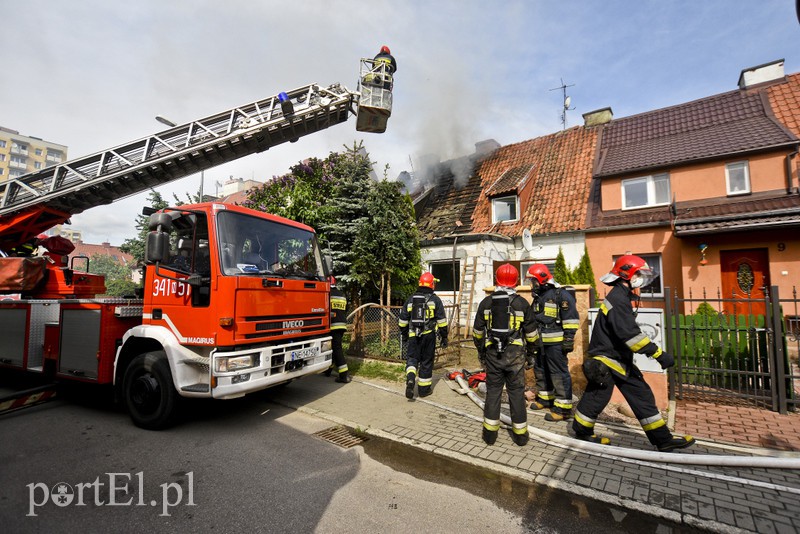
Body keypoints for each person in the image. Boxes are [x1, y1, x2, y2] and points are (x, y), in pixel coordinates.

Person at [572, 255, 695, 452]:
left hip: (615, 359)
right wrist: (659, 355)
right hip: (610, 360)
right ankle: (662, 439)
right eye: (638, 273)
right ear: (626, 274)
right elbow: (631, 337)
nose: (641, 278)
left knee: (606, 395)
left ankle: (582, 430)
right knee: (612, 395)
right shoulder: (618, 300)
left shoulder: (619, 297)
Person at [472, 264, 539, 446]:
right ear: (516, 282)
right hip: (516, 356)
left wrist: (482, 352)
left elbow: (477, 333)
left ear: (496, 279)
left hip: (494, 354)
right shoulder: (522, 303)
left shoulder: (486, 303)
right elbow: (532, 335)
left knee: (493, 392)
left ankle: (490, 435)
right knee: (516, 393)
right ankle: (520, 436)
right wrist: (531, 355)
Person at [525, 264, 580, 422]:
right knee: (540, 370)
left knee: (558, 374)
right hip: (541, 344)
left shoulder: (560, 295)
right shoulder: (538, 297)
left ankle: (563, 409)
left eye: (532, 281)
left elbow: (571, 319)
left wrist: (568, 340)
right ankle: (545, 399)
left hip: (556, 345)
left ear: (541, 280)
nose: (531, 285)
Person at [398, 272, 448, 399]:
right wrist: (444, 337)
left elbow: (402, 321)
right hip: (429, 336)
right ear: (432, 284)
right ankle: (424, 390)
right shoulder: (435, 300)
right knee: (426, 362)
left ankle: (410, 380)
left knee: (412, 359)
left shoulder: (411, 299)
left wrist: (405, 335)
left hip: (413, 336)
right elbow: (442, 321)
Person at [326, 276, 351, 383]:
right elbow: (346, 309)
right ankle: (328, 369)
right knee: (333, 347)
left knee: (336, 348)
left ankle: (344, 375)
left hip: (332, 325)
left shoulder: (327, 293)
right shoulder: (342, 294)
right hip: (342, 325)